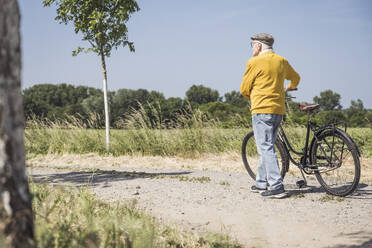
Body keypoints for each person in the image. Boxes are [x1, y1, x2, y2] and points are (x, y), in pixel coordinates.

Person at [240, 33, 300, 198]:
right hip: (278, 109)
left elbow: (244, 89)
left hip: (261, 109)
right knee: (267, 146)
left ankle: (276, 186)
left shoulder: (254, 62)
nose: (252, 48)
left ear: (258, 46)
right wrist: (289, 88)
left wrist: (253, 95)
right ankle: (261, 182)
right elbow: (295, 78)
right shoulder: (281, 61)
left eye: (252, 45)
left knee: (265, 147)